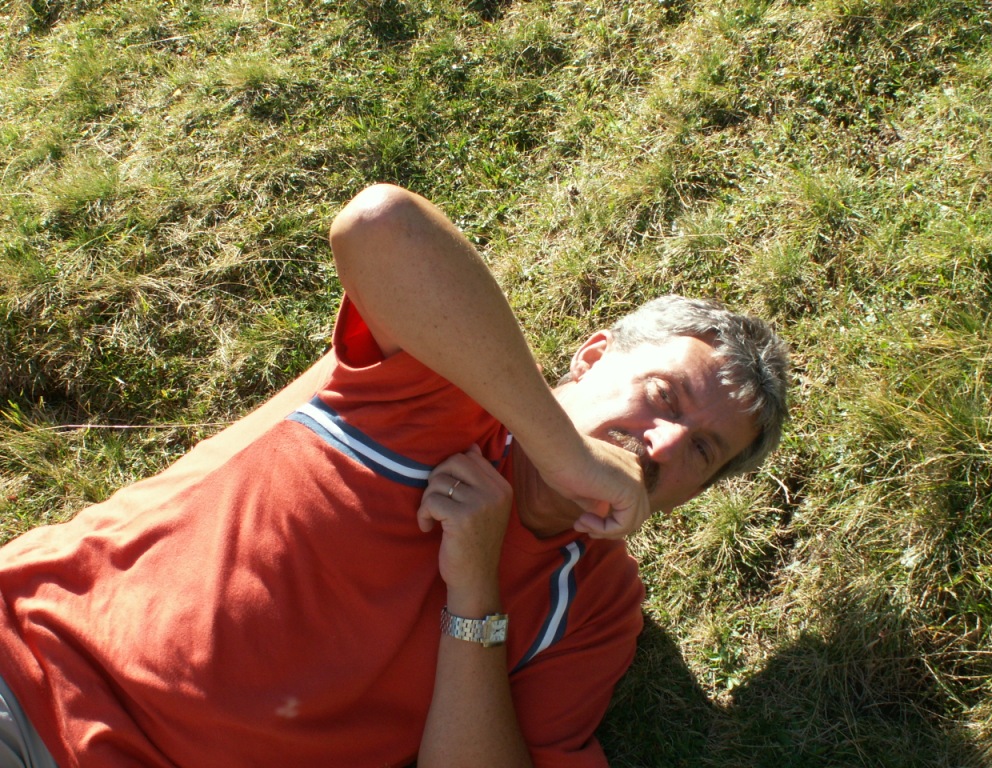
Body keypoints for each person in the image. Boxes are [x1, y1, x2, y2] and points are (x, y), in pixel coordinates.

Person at [0, 184, 788, 768]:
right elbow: (378, 223)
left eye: (702, 451)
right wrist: (566, 454)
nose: (662, 443)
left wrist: (474, 594)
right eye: (663, 397)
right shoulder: (446, 375)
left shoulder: (594, 608)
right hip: (34, 664)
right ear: (591, 357)